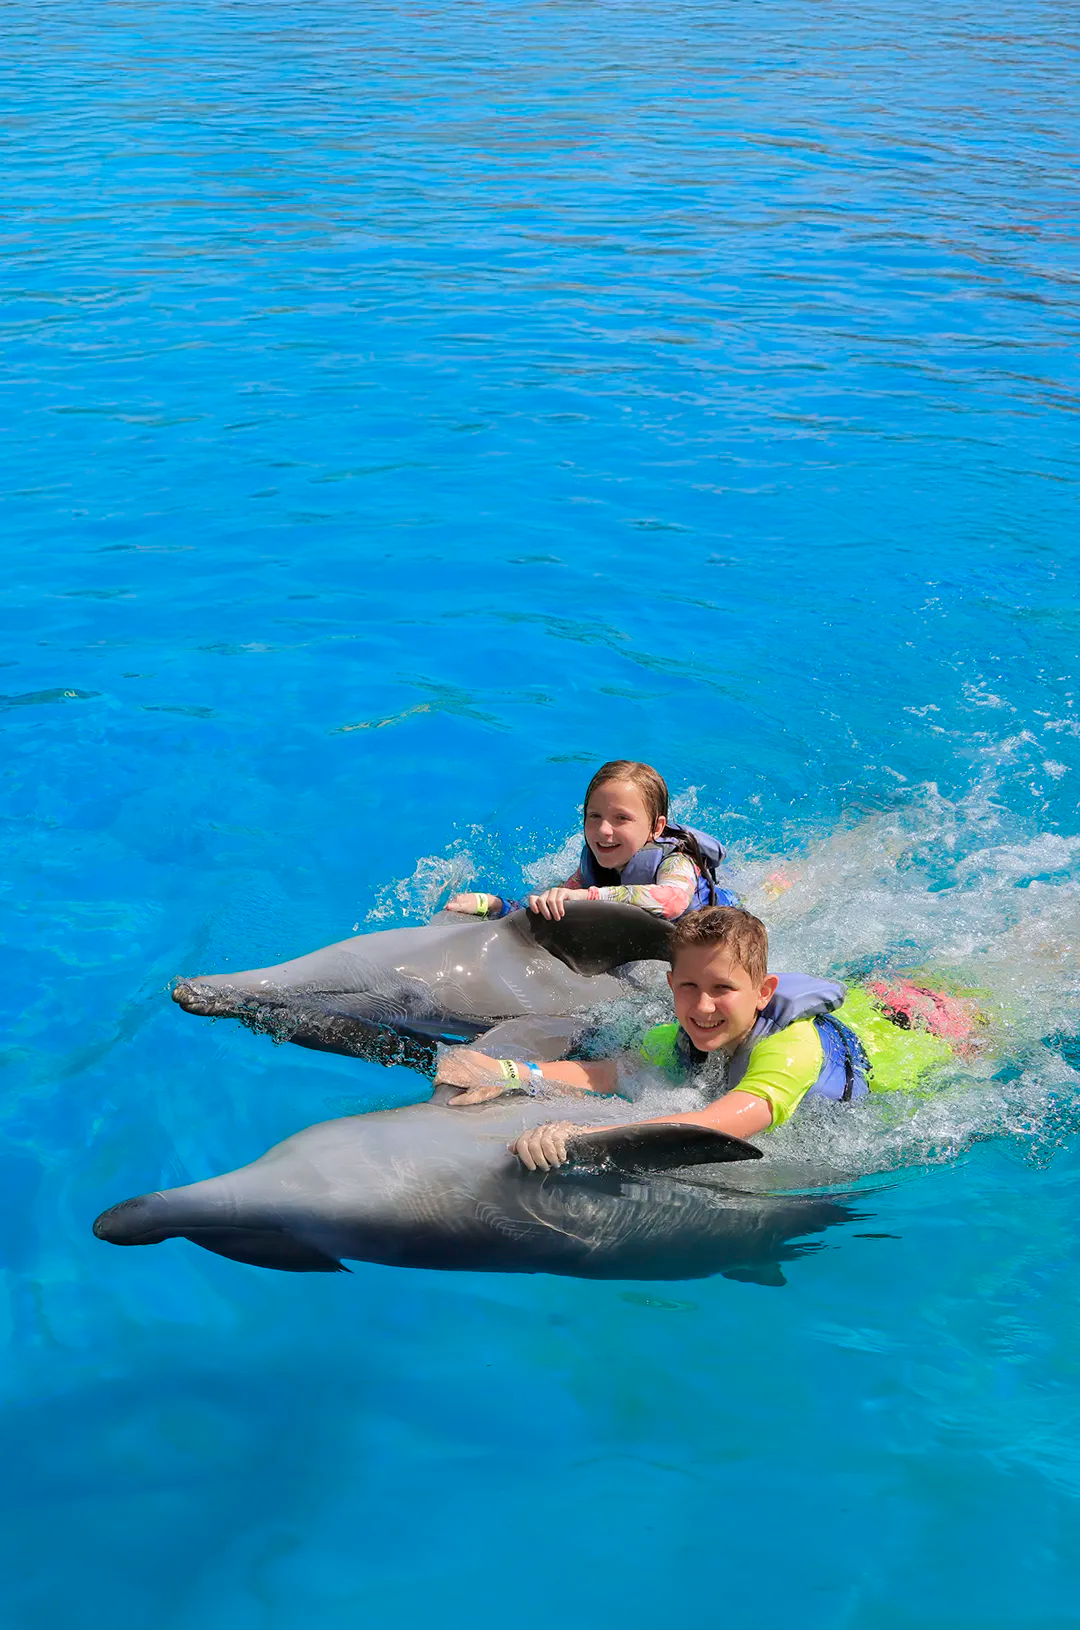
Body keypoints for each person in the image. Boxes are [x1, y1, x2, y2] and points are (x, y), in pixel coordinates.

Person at [435, 905, 981, 1169]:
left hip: (929, 1034)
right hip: (875, 1004)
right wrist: (509, 1074)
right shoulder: (678, 1033)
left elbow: (729, 1119)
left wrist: (587, 1136)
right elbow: (610, 1072)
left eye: (723, 989)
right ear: (670, 985)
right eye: (689, 987)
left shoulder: (791, 1050)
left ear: (764, 991)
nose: (702, 1006)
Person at [444, 759, 734, 923]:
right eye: (594, 816)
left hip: (717, 920)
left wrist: (589, 896)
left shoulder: (676, 862)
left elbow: (671, 902)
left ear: (656, 827)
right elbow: (543, 905)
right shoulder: (592, 867)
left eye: (621, 818)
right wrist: (493, 905)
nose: (604, 831)